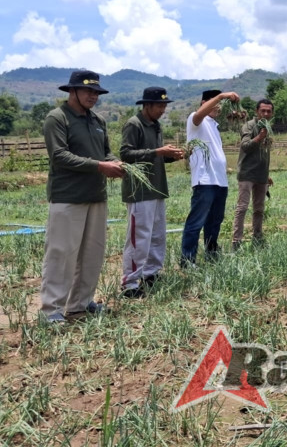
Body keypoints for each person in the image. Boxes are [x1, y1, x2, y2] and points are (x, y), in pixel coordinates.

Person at [40, 70, 125, 323]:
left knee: (92, 253)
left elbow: (106, 153)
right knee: (62, 254)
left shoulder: (98, 121)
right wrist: (101, 166)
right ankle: (51, 310)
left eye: (96, 92)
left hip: (96, 196)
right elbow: (59, 156)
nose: (93, 96)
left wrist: (116, 163)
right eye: (88, 91)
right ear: (72, 91)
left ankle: (80, 303)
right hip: (68, 197)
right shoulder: (57, 118)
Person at [120, 87, 184, 298]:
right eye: (159, 106)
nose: (163, 110)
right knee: (139, 237)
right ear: (146, 105)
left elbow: (154, 157)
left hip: (156, 187)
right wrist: (158, 151)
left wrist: (169, 156)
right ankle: (130, 282)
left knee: (157, 235)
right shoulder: (134, 124)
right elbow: (126, 154)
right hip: (140, 190)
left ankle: (151, 273)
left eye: (165, 106)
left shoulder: (155, 125)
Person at [181, 89, 240, 266]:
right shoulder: (196, 120)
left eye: (220, 105)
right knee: (196, 221)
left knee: (215, 221)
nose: (218, 107)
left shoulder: (214, 125)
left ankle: (211, 253)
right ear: (204, 103)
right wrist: (221, 96)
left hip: (219, 181)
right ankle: (187, 259)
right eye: (214, 103)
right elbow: (200, 114)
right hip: (204, 180)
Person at [233, 99, 274, 250]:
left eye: (269, 111)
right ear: (257, 111)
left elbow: (265, 153)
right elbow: (245, 146)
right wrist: (259, 137)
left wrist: (267, 174)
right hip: (247, 173)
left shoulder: (268, 127)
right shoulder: (249, 126)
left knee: (259, 209)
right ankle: (236, 241)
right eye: (263, 110)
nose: (265, 113)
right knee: (242, 207)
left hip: (261, 175)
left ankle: (257, 237)